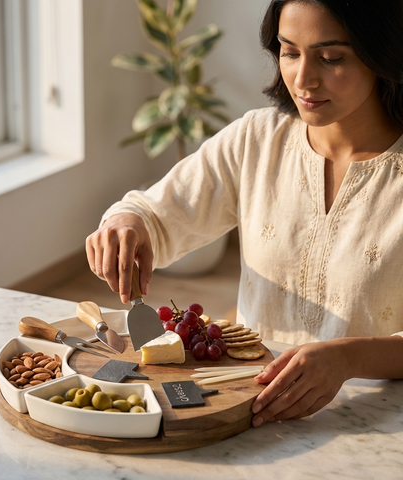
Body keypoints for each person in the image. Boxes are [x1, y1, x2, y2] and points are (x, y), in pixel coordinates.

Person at [86, 0, 403, 428]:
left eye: (331, 58)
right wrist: (128, 223)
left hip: (373, 422)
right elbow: (155, 212)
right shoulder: (258, 139)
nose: (303, 79)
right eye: (289, 52)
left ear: (383, 54)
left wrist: (348, 358)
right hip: (246, 408)